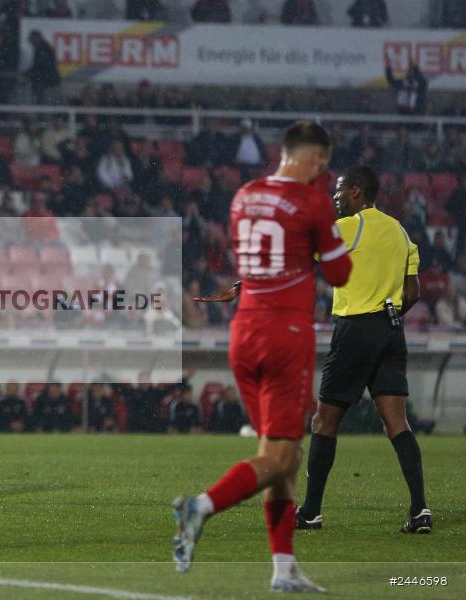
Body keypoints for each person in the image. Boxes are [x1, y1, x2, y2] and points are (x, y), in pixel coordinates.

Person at [172, 121, 352, 592]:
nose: (324, 171)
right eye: (323, 162)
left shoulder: (244, 196)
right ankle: (201, 506)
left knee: (279, 456)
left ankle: (284, 568)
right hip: (284, 336)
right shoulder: (312, 201)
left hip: (243, 333)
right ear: (311, 157)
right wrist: (324, 244)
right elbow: (340, 274)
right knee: (281, 456)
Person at [298, 165, 432, 535]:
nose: (335, 197)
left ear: (358, 192)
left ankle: (310, 512)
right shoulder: (400, 231)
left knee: (324, 420)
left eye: (340, 190)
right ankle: (420, 509)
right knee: (397, 422)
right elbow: (413, 293)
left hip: (355, 328)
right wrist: (387, 314)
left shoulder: (348, 227)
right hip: (391, 330)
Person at [24, 30, 61, 105]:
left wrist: (27, 74)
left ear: (37, 38)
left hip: (46, 84)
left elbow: (40, 67)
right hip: (46, 83)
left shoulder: (43, 49)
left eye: (32, 39)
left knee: (44, 106)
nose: (31, 42)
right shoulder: (44, 48)